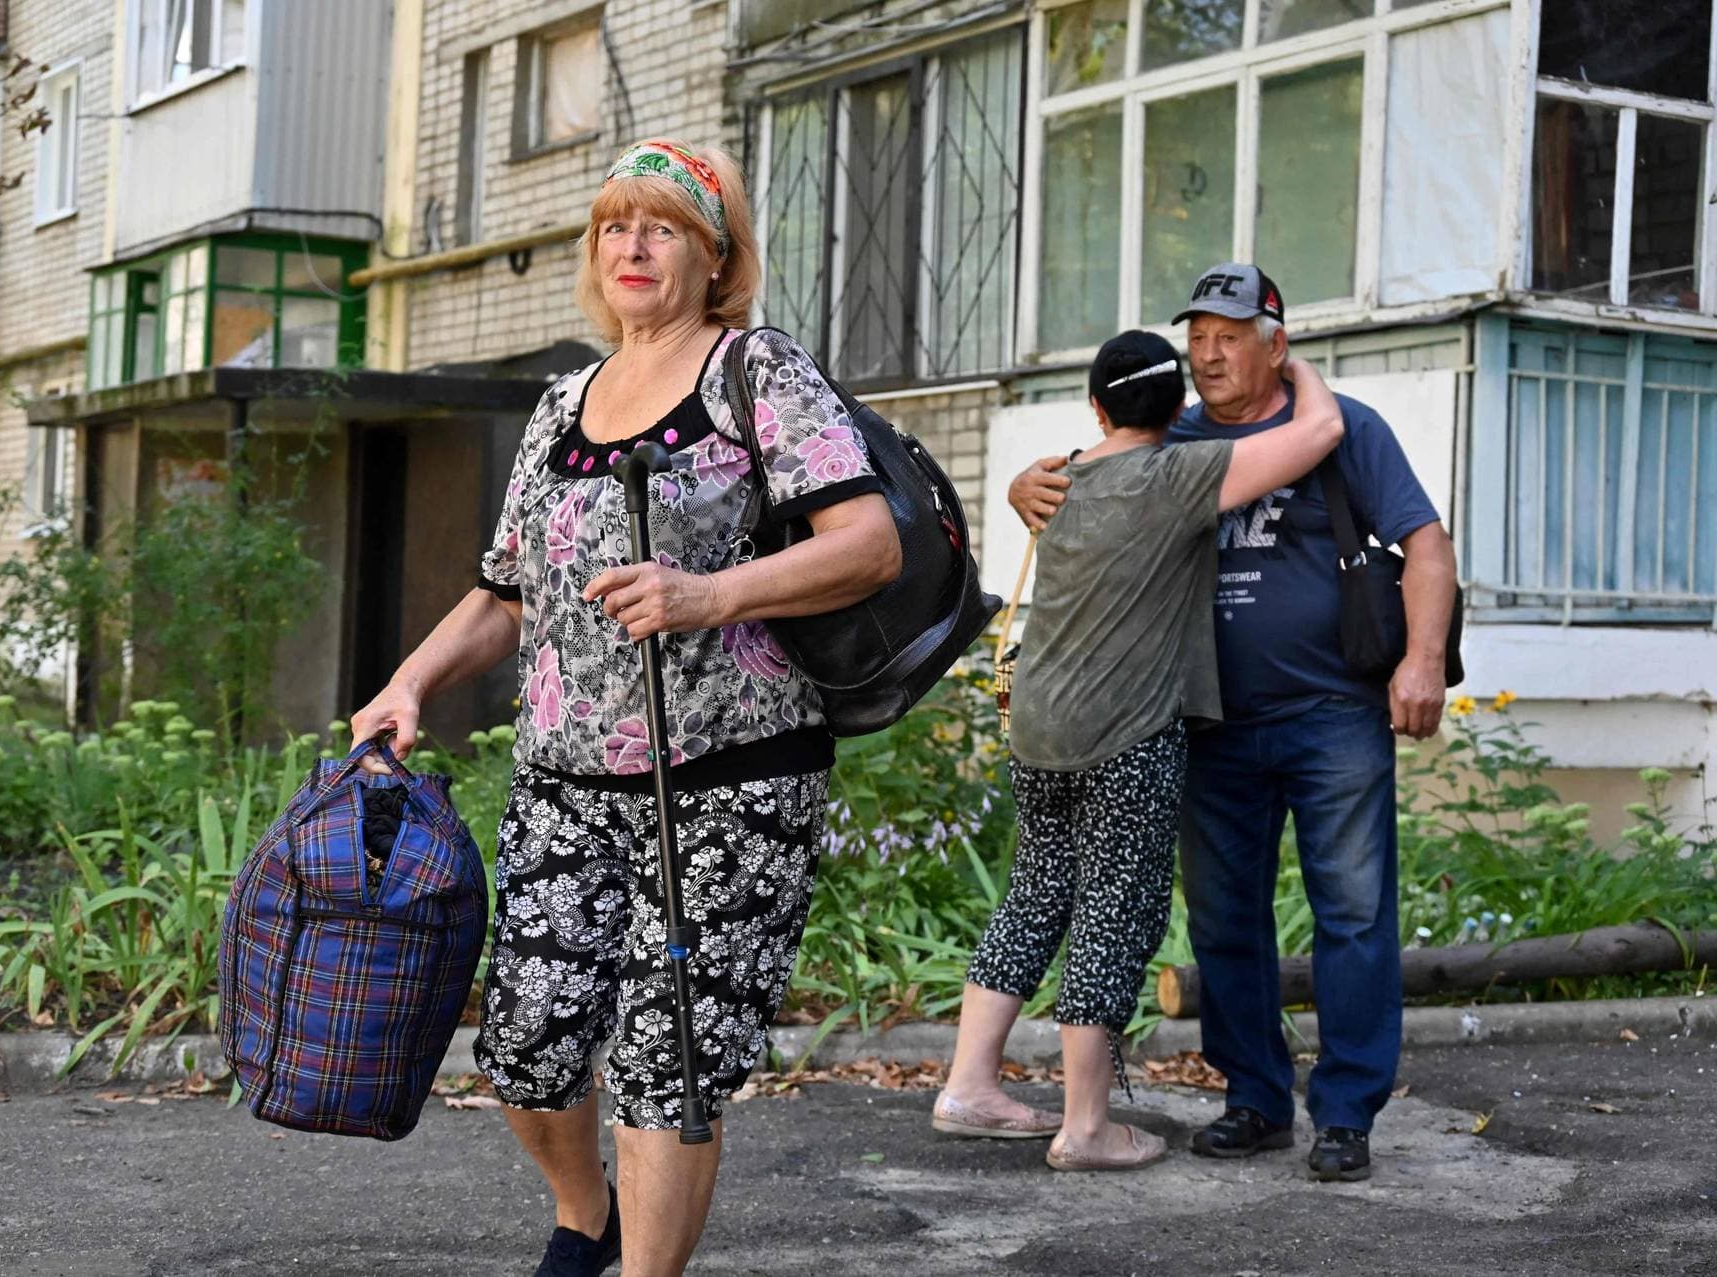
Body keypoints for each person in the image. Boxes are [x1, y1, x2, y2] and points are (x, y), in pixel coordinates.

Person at [350, 139, 901, 1277]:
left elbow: (870, 544)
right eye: (614, 226)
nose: (632, 247)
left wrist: (710, 593)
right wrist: (410, 680)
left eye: (662, 228)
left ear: (715, 258)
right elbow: (506, 592)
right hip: (565, 787)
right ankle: (586, 1215)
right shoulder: (563, 402)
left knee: (667, 1059)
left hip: (730, 785)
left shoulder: (756, 370)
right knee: (527, 1041)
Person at [1008, 263, 1458, 1183]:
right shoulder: (1169, 436)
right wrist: (1025, 483)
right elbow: (1085, 482)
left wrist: (1420, 660)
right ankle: (1255, 1099)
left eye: (1229, 336)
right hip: (1206, 721)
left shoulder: (1346, 429)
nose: (1208, 354)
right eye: (1198, 338)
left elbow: (1427, 544)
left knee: (1354, 913)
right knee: (1224, 921)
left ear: (1274, 344)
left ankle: (1346, 1112)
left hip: (1334, 712)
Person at [932, 330, 1345, 1171]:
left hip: (1038, 723)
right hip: (1125, 731)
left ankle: (969, 1084)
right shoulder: (1178, 475)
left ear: (1096, 408)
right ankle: (1086, 1126)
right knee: (1114, 909)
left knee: (1037, 892)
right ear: (1180, 408)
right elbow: (1321, 431)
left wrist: (1014, 482)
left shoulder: (1058, 479)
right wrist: (1291, 362)